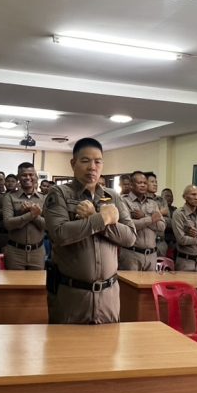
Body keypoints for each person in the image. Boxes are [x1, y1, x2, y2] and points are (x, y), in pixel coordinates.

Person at [44, 138, 136, 323]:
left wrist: (95, 218)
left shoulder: (113, 196)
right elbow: (60, 234)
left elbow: (130, 237)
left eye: (98, 161)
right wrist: (102, 219)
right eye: (85, 161)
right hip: (72, 295)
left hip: (109, 295)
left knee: (108, 341)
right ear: (73, 163)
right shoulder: (59, 193)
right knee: (68, 341)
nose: (92, 167)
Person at [3, 162, 46, 269]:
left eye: (31, 174)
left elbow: (48, 226)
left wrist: (33, 215)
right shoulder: (9, 197)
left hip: (38, 252)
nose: (28, 177)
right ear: (18, 177)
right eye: (24, 175)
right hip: (15, 253)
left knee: (37, 280)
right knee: (13, 280)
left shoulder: (44, 198)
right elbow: (8, 224)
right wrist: (31, 214)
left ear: (36, 176)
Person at [119, 171, 164, 271]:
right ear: (131, 185)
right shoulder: (123, 201)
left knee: (150, 282)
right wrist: (151, 219)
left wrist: (144, 216)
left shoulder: (152, 203)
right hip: (131, 254)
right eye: (139, 183)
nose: (143, 185)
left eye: (145, 183)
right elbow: (128, 225)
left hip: (151, 255)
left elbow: (162, 227)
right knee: (130, 282)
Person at [162, 187, 177, 254]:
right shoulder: (159, 209)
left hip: (174, 242)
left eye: (171, 196)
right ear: (162, 197)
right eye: (167, 196)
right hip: (162, 241)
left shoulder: (175, 210)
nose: (169, 198)